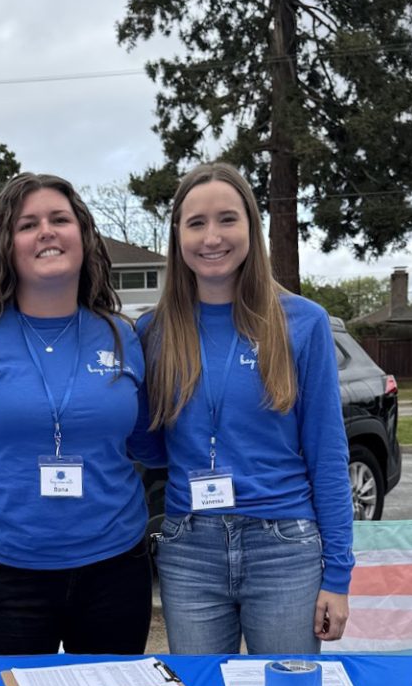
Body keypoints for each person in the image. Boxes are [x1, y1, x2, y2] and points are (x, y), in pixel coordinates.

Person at [0, 173, 163, 656]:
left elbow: (149, 442)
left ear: (83, 236)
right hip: (10, 577)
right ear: (5, 245)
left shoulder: (121, 336)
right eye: (27, 224)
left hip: (116, 569)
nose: (46, 231)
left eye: (59, 219)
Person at [138, 162, 353, 655]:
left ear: (252, 228)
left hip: (284, 548)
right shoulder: (153, 331)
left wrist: (338, 574)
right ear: (178, 236)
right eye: (196, 223)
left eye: (227, 219)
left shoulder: (303, 323)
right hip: (189, 549)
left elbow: (327, 455)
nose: (212, 237)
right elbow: (151, 447)